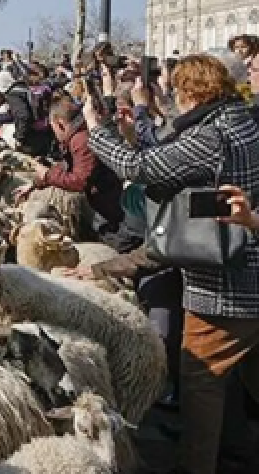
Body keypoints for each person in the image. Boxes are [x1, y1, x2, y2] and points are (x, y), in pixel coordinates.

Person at [85, 53, 259, 474]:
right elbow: (169, 160)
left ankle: (196, 466)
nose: (174, 98)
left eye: (178, 89)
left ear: (192, 92)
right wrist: (136, 123)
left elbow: (139, 167)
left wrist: (97, 128)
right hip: (246, 270)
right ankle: (237, 455)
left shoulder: (212, 135)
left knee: (200, 383)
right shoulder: (242, 121)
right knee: (238, 380)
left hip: (224, 286)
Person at [16, 98, 125, 234]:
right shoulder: (78, 135)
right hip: (106, 200)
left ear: (60, 124)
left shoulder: (81, 140)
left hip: (110, 204)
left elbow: (80, 180)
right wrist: (36, 183)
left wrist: (48, 175)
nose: (54, 134)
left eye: (53, 128)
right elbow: (68, 165)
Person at [0, 69, 51, 156]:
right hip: (44, 132)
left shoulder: (13, 94)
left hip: (31, 138)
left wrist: (19, 138)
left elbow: (23, 116)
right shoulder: (25, 88)